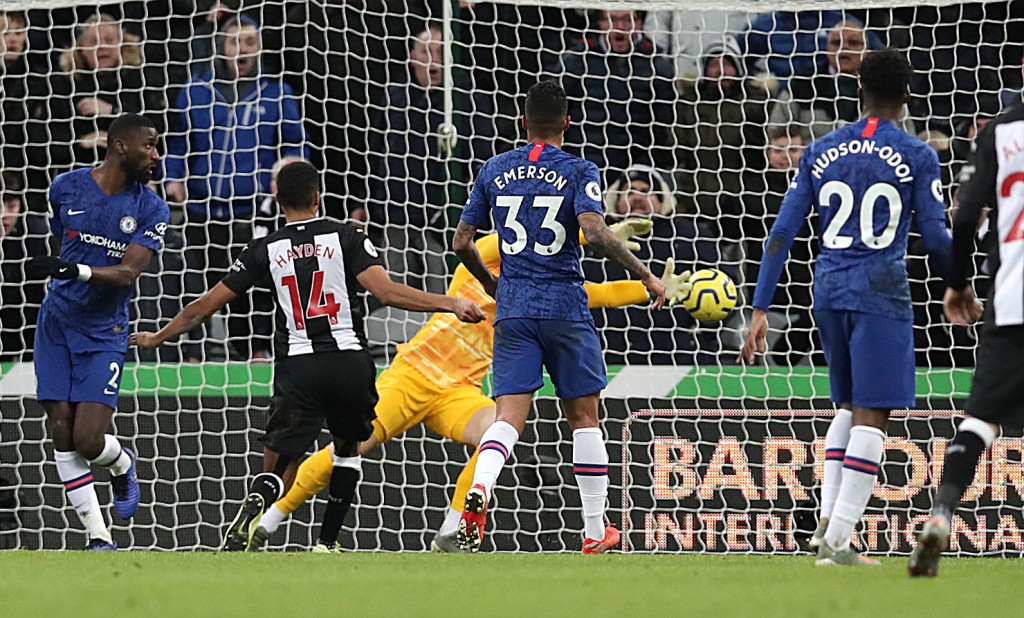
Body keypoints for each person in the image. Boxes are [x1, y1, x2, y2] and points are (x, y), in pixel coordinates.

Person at [250, 221, 688, 553]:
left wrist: (653, 288)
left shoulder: (533, 295)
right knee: (347, 451)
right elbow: (490, 244)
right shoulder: (472, 272)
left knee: (496, 432)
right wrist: (590, 235)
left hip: (458, 390)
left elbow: (599, 293)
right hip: (411, 376)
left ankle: (452, 528)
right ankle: (269, 519)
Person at [130, 161, 487, 552]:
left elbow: (204, 306)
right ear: (318, 197)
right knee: (348, 452)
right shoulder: (347, 236)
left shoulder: (264, 249)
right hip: (348, 361)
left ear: (278, 199)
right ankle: (326, 542)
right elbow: (386, 292)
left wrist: (158, 337)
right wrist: (450, 302)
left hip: (298, 366)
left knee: (281, 464)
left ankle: (261, 498)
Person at [739, 49, 953, 566]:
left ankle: (828, 529)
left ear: (859, 91)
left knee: (848, 406)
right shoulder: (918, 154)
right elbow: (936, 236)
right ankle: (838, 539)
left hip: (828, 289)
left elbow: (781, 232)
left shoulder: (821, 149)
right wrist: (961, 284)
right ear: (908, 95)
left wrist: (760, 306)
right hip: (881, 291)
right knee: (873, 415)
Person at [452, 80, 667, 554]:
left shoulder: (494, 168)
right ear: (568, 122)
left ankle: (480, 486)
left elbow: (462, 242)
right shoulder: (579, 169)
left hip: (513, 309)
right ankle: (594, 530)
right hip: (565, 306)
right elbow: (595, 232)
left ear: (523, 122)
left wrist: (491, 285)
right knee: (585, 418)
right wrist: (646, 275)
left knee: (508, 418)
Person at [25, 113, 169, 550]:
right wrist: (67, 270)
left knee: (88, 440)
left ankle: (123, 464)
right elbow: (63, 239)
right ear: (121, 146)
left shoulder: (151, 207)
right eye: (149, 145)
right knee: (60, 428)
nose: (156, 155)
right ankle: (98, 536)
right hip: (56, 324)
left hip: (106, 330)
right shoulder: (65, 187)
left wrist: (76, 270)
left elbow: (127, 274)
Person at [907, 94, 1020, 578]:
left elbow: (966, 213)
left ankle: (942, 512)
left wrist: (956, 282)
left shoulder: (999, 131)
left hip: (1013, 299)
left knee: (979, 421)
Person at [164, 15, 308, 361]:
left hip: (252, 207)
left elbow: (296, 143)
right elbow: (178, 142)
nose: (242, 49)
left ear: (259, 48)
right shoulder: (195, 90)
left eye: (250, 42)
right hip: (201, 206)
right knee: (197, 282)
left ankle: (255, 350)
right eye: (234, 42)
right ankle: (193, 352)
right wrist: (172, 177)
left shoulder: (277, 92)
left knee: (253, 284)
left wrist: (287, 165)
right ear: (221, 47)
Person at [551, 9, 676, 177]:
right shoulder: (576, 60)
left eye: (627, 20)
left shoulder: (657, 65)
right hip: (580, 165)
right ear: (601, 23)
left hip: (633, 172)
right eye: (612, 20)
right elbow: (552, 115)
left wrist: (645, 169)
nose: (619, 27)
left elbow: (662, 129)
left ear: (640, 23)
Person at [57, 14, 166, 166]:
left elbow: (159, 130)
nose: (102, 46)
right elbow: (43, 140)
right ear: (81, 49)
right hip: (80, 168)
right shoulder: (65, 85)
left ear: (122, 45)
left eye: (109, 40)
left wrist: (111, 111)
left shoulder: (141, 80)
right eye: (94, 41)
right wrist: (80, 143)